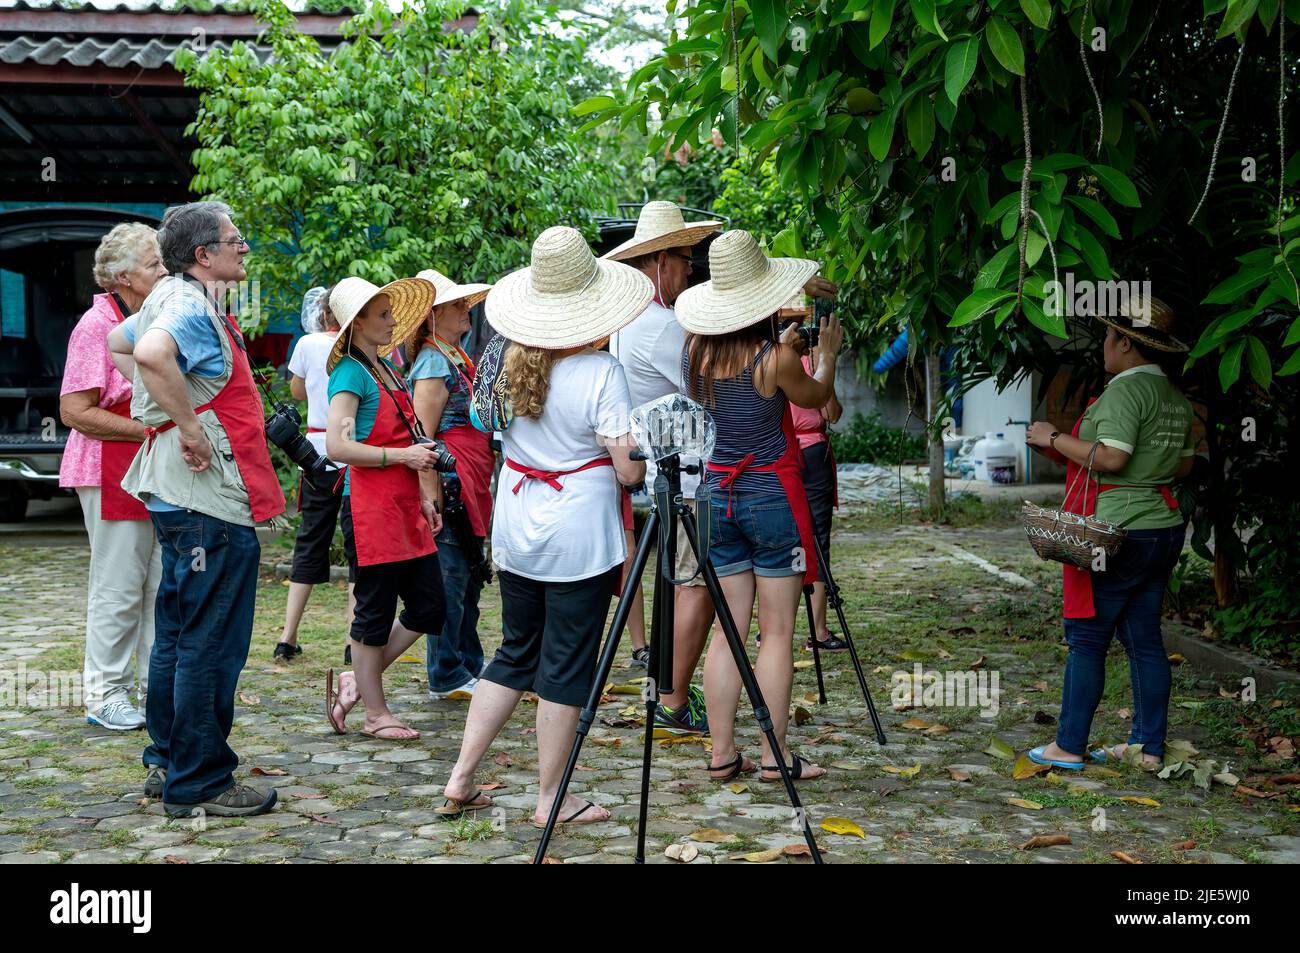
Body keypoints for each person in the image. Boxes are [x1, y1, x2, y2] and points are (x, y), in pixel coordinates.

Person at [440, 226, 650, 824]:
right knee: (565, 663)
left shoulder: (504, 363)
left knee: (513, 651)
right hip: (577, 533)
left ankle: (460, 778)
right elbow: (627, 471)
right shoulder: (600, 372)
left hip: (519, 521)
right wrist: (644, 449)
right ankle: (551, 798)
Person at [107, 201, 286, 817]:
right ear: (203, 255)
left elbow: (117, 340)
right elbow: (152, 355)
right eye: (235, 240)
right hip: (204, 496)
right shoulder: (185, 304)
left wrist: (161, 412)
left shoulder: (169, 296)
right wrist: (186, 423)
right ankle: (201, 781)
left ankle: (167, 761)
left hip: (173, 494)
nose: (244, 248)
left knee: (179, 633)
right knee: (211, 639)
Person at [675, 229, 843, 784]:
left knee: (728, 630)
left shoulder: (693, 352)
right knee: (776, 632)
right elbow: (816, 400)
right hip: (769, 495)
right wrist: (828, 357)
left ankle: (722, 752)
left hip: (716, 495)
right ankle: (774, 757)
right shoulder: (773, 359)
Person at [1025, 296, 1194, 770]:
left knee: (1087, 637)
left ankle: (1068, 745)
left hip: (1119, 533)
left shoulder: (1124, 391)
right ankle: (1147, 748)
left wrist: (1051, 437)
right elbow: (1182, 463)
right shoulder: (1173, 396)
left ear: (1125, 342)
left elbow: (1114, 458)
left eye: (1107, 335)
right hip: (1164, 527)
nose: (1103, 344)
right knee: (1144, 639)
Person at [604, 201, 721, 728]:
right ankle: (671, 701)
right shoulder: (659, 325)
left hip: (662, 474)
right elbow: (707, 389)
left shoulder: (633, 321)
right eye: (682, 258)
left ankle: (666, 693)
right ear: (658, 263)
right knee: (696, 588)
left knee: (677, 587)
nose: (690, 269)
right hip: (686, 477)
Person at [323, 275, 446, 742]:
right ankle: (376, 713)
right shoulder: (351, 372)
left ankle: (358, 680)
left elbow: (411, 437)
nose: (393, 321)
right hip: (371, 509)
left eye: (391, 312)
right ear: (355, 325)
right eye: (382, 314)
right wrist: (404, 458)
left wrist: (424, 497)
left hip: (403, 505)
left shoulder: (387, 367)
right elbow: (338, 445)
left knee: (430, 605)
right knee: (372, 615)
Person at [59, 222, 167, 731]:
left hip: (147, 464)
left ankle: (153, 686)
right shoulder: (95, 324)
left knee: (158, 584)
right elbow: (75, 411)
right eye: (154, 265)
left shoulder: (152, 315)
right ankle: (105, 692)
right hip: (108, 466)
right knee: (119, 587)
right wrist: (146, 428)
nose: (163, 272)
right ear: (122, 277)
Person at [405, 268, 493, 701]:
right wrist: (429, 495)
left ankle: (467, 662)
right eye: (458, 304)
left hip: (470, 475)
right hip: (450, 483)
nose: (466, 311)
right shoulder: (434, 362)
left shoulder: (454, 355)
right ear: (433, 314)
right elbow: (423, 434)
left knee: (470, 575)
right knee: (451, 577)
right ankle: (447, 671)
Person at [275, 286, 354, 662]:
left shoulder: (307, 344)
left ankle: (288, 636)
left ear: (323, 314)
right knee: (359, 544)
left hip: (317, 451)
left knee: (310, 540)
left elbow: (297, 390)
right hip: (355, 451)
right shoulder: (359, 345)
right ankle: (354, 640)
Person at [791, 340, 846, 651]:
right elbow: (832, 413)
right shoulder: (813, 361)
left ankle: (770, 630)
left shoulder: (770, 355)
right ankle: (819, 632)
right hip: (808, 454)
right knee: (816, 540)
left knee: (788, 540)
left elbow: (832, 412)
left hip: (785, 455)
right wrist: (827, 362)